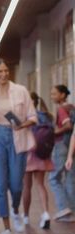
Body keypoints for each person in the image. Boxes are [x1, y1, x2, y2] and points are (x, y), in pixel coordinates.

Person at [0, 59, 37, 234]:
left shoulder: (21, 90)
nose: (4, 74)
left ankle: (15, 209)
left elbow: (33, 117)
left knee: (16, 185)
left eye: (6, 71)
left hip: (17, 137)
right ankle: (6, 228)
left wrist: (22, 125)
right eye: (0, 72)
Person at [21, 92, 53, 229]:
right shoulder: (46, 116)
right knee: (40, 185)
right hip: (42, 154)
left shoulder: (25, 117)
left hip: (28, 153)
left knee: (27, 187)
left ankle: (26, 217)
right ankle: (46, 213)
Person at [50, 85, 75, 222]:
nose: (52, 96)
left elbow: (68, 126)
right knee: (70, 178)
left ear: (62, 95)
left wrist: (54, 132)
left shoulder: (61, 109)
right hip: (72, 146)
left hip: (61, 145)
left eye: (54, 94)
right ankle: (72, 209)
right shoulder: (72, 107)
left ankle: (63, 208)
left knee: (53, 178)